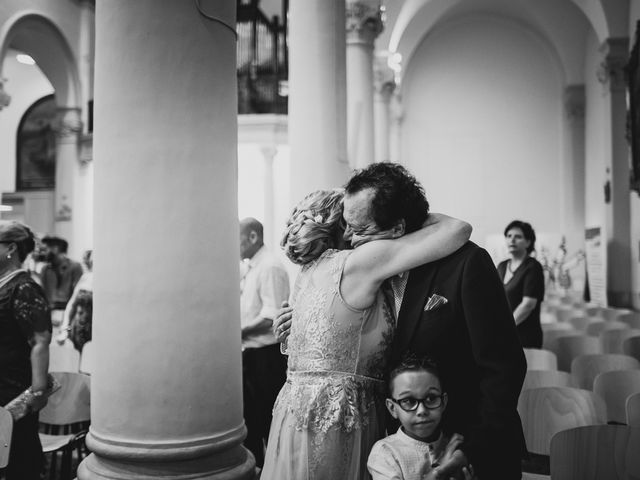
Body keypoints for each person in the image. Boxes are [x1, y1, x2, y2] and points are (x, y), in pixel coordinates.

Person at [275, 162, 527, 480]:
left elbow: (504, 368)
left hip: (464, 447)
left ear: (397, 228)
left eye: (360, 229)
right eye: (346, 225)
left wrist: (470, 451)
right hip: (393, 451)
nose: (349, 239)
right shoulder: (363, 274)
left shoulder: (467, 264)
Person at [261, 185, 472, 480]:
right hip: (341, 416)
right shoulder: (356, 262)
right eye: (353, 221)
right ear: (343, 226)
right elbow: (457, 229)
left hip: (296, 411)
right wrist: (408, 220)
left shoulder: (309, 272)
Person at [368, 355, 474, 480]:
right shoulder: (385, 453)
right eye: (408, 400)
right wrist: (439, 472)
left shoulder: (454, 447)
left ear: (444, 402)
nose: (422, 411)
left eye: (431, 398)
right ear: (392, 408)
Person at [0, 221, 51, 479]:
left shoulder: (23, 287)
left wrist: (38, 392)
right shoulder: (4, 284)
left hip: (13, 389)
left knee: (20, 459)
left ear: (10, 248)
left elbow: (40, 340)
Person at [239, 218, 290, 468]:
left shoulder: (270, 266)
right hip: (252, 353)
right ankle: (256, 469)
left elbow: (272, 315)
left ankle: (274, 470)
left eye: (236, 239)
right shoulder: (253, 266)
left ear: (252, 237)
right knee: (252, 419)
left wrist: (237, 332)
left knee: (269, 419)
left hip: (266, 357)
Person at [496, 220, 545, 349]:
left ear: (528, 242)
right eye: (509, 236)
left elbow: (528, 305)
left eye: (518, 237)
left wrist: (506, 329)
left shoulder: (533, 267)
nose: (512, 240)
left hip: (525, 336)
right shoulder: (501, 266)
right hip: (503, 333)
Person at [56, 249, 93, 345]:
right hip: (78, 329)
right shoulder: (86, 277)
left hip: (95, 332)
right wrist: (65, 328)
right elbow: (72, 304)